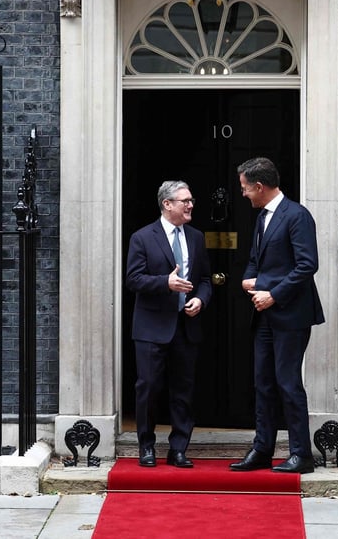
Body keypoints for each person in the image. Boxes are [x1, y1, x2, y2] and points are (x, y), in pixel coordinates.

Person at [230, 157, 324, 474]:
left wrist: (271, 293)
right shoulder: (263, 218)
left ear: (259, 186)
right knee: (264, 384)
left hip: (291, 315)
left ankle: (301, 454)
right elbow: (255, 260)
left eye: (245, 188)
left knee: (288, 383)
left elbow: (307, 265)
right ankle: (262, 449)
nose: (243, 194)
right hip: (265, 317)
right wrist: (249, 278)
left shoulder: (297, 216)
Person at [126, 180, 212, 468]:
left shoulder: (196, 237)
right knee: (148, 388)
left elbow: (205, 279)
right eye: (185, 201)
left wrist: (200, 299)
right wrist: (166, 282)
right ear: (167, 204)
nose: (190, 205)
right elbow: (133, 279)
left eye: (191, 200)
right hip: (151, 327)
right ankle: (146, 446)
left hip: (186, 326)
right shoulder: (142, 237)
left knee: (183, 391)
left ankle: (179, 449)